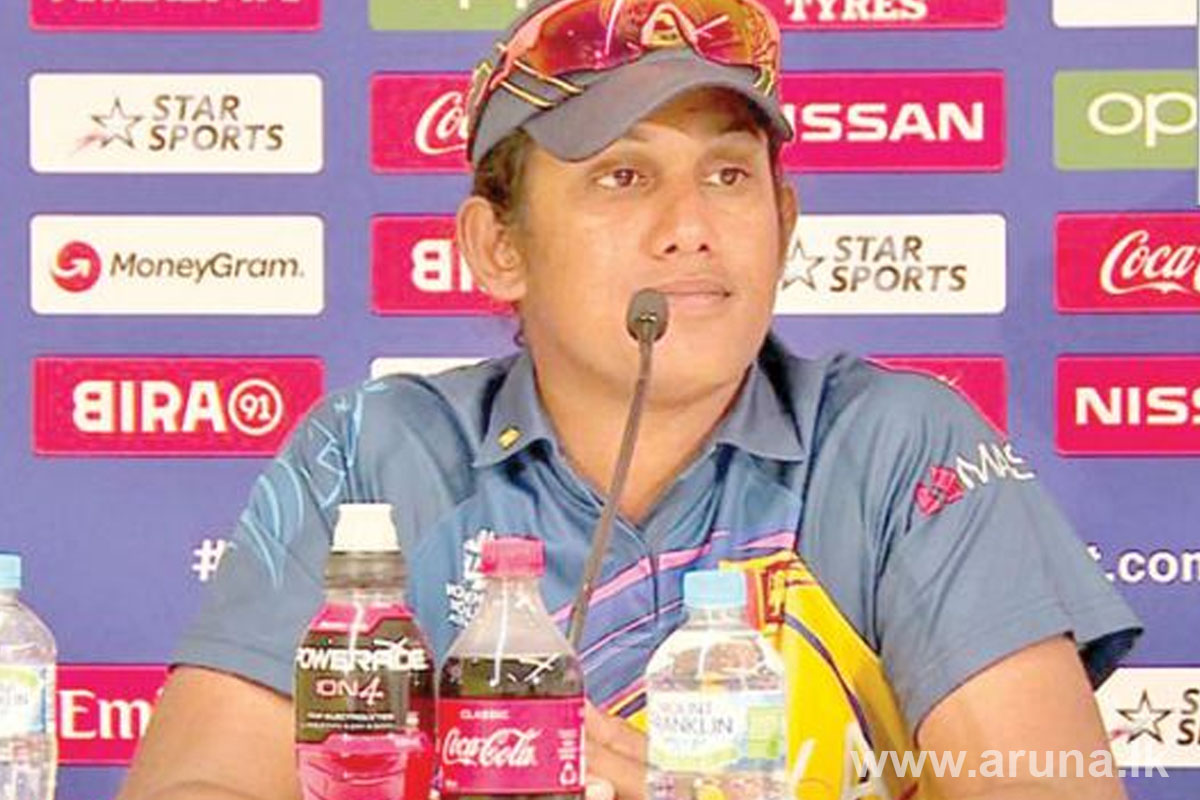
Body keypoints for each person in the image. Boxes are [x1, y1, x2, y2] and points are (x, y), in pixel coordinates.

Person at [117, 1, 1142, 798]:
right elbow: (196, 782)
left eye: (729, 176)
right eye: (622, 177)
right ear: (498, 247)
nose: (691, 226)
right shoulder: (367, 451)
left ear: (784, 223)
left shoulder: (901, 445)